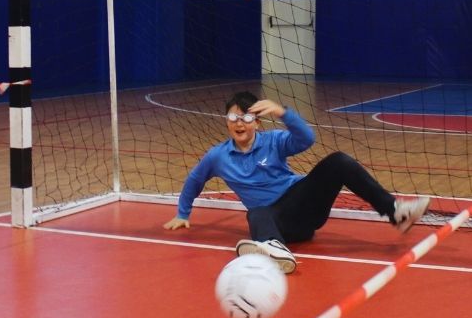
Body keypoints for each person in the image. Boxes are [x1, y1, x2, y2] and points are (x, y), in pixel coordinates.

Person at [163, 91, 429, 273]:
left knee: (338, 161)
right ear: (227, 122)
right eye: (233, 118)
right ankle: (277, 251)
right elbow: (195, 180)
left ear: (257, 122)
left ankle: (396, 212)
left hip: (303, 203)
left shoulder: (273, 140)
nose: (239, 123)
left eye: (246, 117)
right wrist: (183, 213)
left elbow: (306, 139)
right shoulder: (218, 156)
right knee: (256, 214)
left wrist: (282, 113)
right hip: (281, 224)